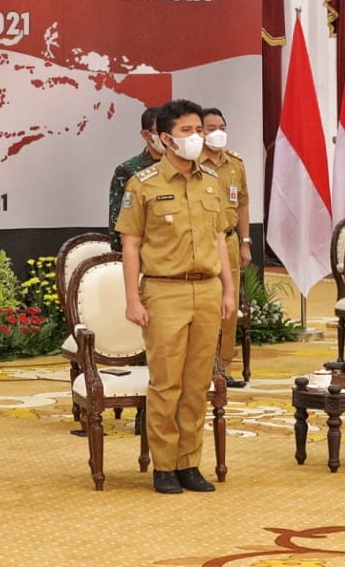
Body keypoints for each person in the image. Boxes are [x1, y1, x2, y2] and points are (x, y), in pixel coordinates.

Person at [117, 99, 235, 494]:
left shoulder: (211, 181)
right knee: (166, 383)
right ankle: (164, 466)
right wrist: (133, 299)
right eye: (187, 131)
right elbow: (131, 245)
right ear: (166, 138)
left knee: (198, 383)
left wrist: (228, 290)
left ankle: (189, 463)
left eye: (199, 130)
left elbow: (219, 240)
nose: (196, 137)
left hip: (207, 289)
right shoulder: (144, 184)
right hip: (165, 290)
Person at [201, 106, 251, 387]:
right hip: (202, 241)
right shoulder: (192, 163)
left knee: (228, 306)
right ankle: (202, 365)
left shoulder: (235, 163)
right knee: (204, 304)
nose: (218, 133)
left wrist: (245, 242)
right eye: (211, 128)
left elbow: (242, 204)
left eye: (222, 128)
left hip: (230, 241)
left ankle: (223, 367)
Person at [108, 106, 162, 251]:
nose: (166, 136)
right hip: (143, 252)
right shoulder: (128, 170)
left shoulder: (183, 167)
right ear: (146, 134)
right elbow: (118, 222)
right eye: (160, 131)